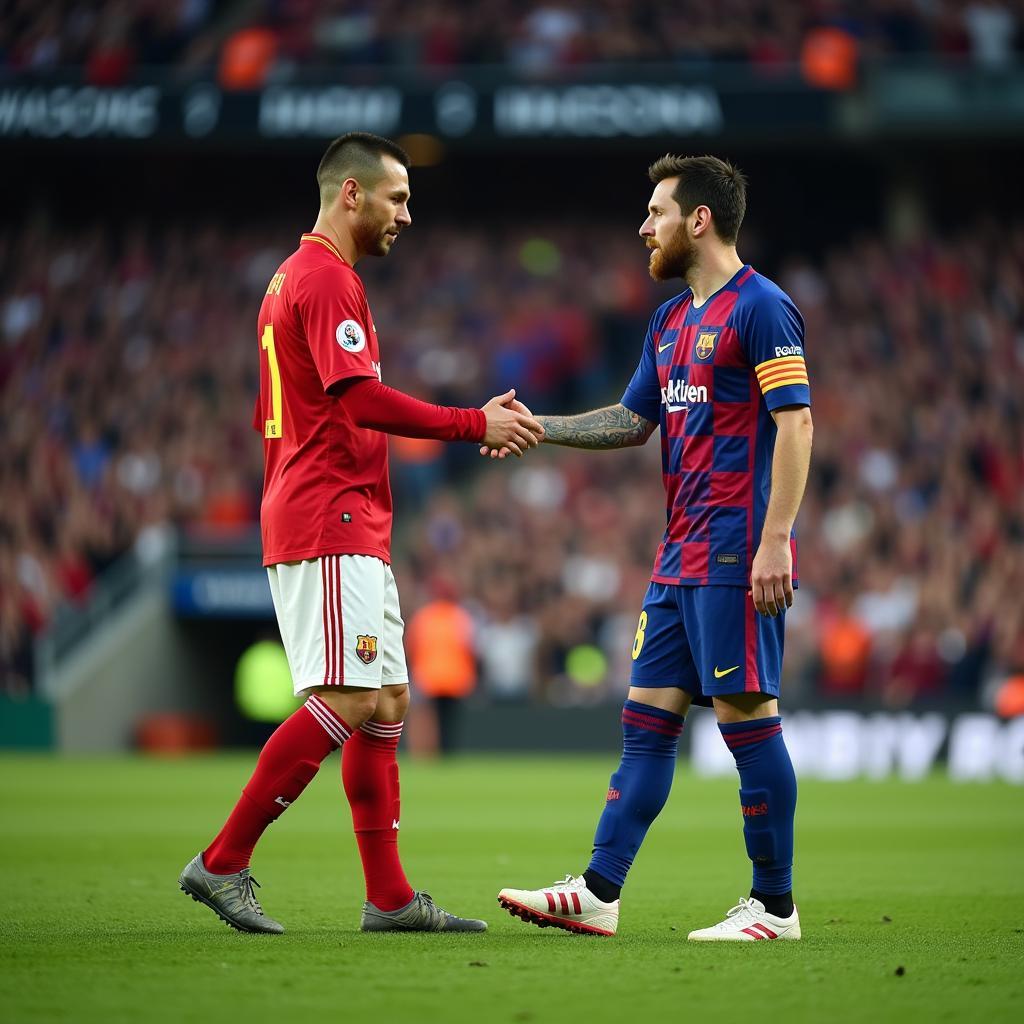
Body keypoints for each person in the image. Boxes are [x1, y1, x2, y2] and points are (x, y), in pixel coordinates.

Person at [179, 132, 543, 935]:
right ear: (352, 193)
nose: (407, 214)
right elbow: (357, 400)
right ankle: (223, 861)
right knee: (348, 695)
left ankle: (389, 900)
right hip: (326, 512)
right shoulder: (322, 277)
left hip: (348, 514)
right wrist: (470, 421)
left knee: (387, 703)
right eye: (399, 197)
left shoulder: (295, 279)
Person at [492, 154, 813, 941]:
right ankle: (601, 891)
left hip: (736, 555)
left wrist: (777, 539)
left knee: (746, 722)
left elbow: (796, 422)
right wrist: (542, 425)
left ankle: (775, 907)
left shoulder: (762, 308)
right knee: (644, 725)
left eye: (656, 212)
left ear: (698, 219)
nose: (643, 227)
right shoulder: (669, 322)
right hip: (676, 562)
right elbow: (633, 422)